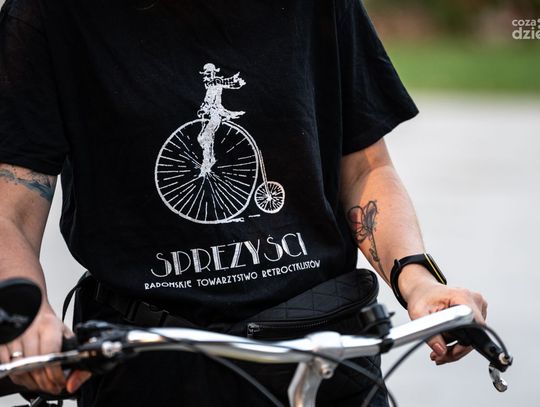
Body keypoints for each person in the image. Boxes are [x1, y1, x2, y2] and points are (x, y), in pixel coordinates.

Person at [0, 0, 487, 406]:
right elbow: (11, 211)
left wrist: (417, 280)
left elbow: (365, 169)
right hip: (147, 366)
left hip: (325, 358)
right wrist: (26, 316)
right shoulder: (52, 14)